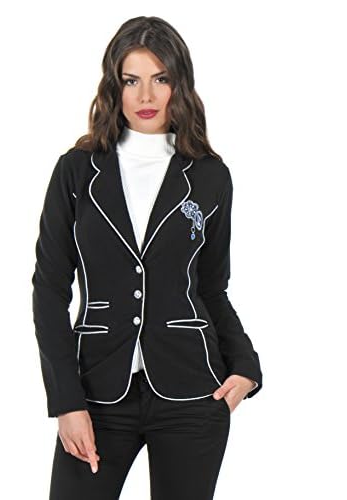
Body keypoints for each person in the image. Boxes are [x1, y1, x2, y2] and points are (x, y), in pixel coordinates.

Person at [31, 15, 263, 500]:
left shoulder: (210, 176)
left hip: (192, 391)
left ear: (180, 85)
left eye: (161, 79)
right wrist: (66, 402)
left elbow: (211, 287)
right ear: (113, 87)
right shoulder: (76, 172)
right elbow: (49, 290)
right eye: (131, 81)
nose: (146, 96)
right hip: (97, 392)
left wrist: (245, 366)